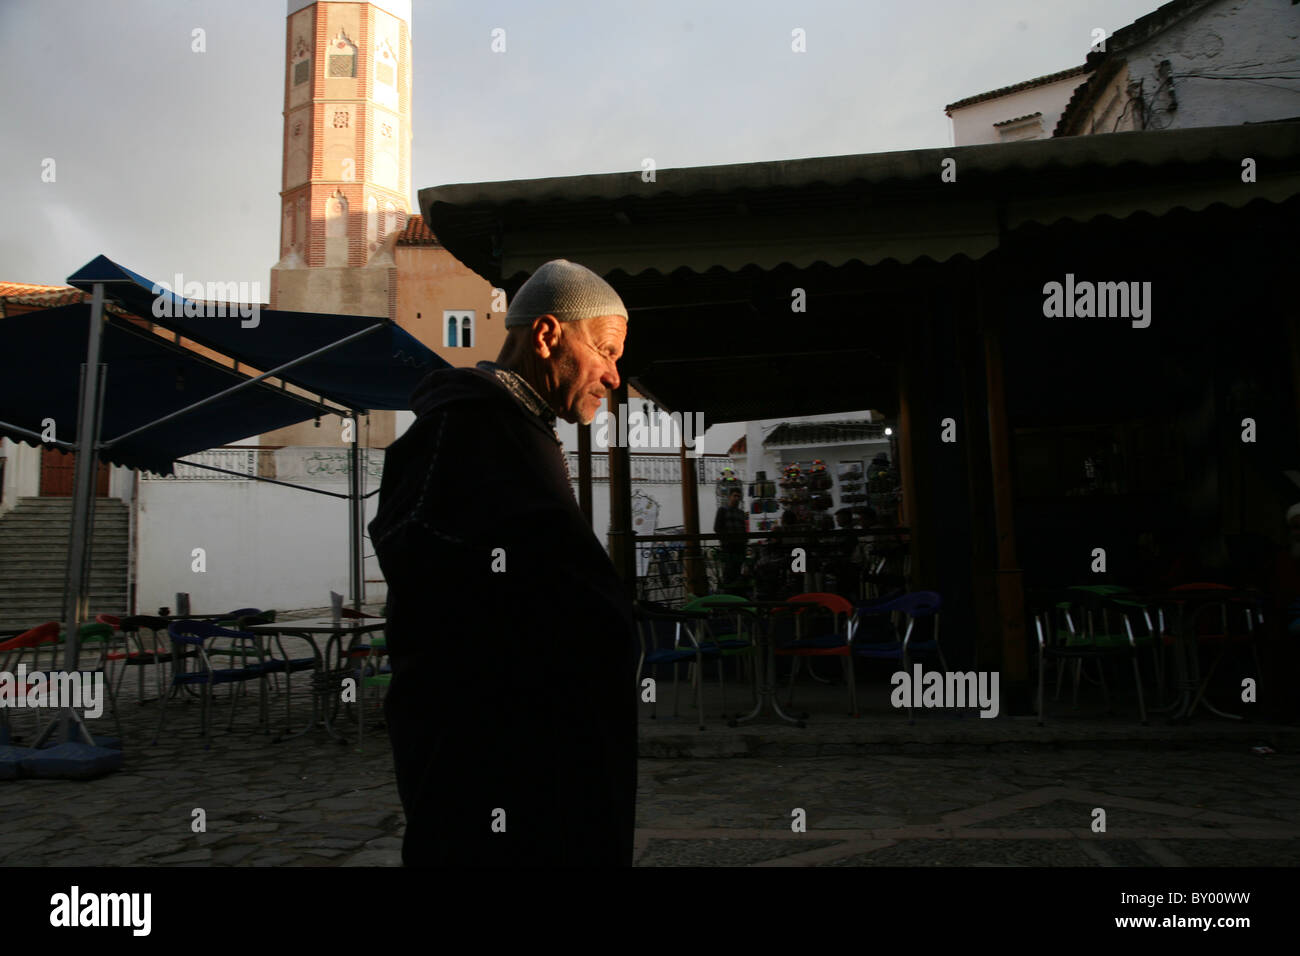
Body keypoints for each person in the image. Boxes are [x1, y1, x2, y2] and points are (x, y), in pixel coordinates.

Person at [368, 259, 638, 866]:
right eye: (606, 351)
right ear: (547, 335)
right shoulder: (464, 434)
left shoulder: (516, 431)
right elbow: (449, 614)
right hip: (501, 773)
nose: (614, 376)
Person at [713, 488, 748, 585]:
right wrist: (725, 540)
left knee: (737, 569)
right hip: (728, 546)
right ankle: (728, 590)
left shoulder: (741, 513)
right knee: (729, 569)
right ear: (729, 497)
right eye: (735, 496)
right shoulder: (722, 510)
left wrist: (744, 542)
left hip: (739, 546)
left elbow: (743, 528)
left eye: (738, 496)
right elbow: (717, 527)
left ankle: (734, 591)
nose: (737, 498)